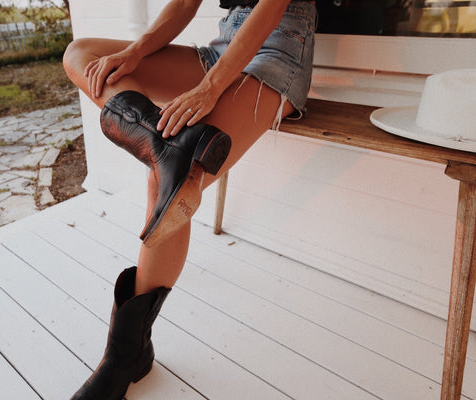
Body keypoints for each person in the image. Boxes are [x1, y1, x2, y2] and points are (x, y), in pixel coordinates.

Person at [62, 0, 317, 398]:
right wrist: (135, 51)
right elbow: (183, 3)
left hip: (280, 46)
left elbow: (271, 8)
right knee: (83, 54)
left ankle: (125, 354)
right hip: (220, 46)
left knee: (171, 182)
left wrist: (210, 88)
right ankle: (160, 144)